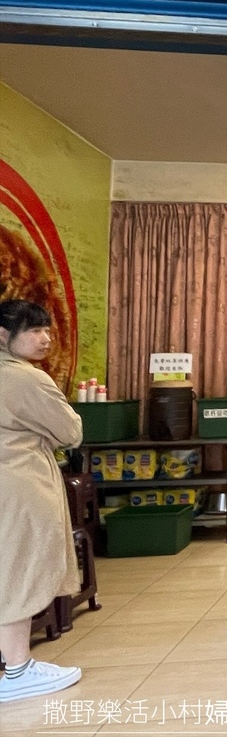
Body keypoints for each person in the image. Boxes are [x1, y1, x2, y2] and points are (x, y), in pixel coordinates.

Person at [0, 300, 83, 702]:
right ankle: (16, 670)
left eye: (47, 329)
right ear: (3, 336)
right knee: (20, 569)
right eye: (34, 331)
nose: (45, 338)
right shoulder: (25, 378)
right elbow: (69, 430)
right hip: (20, 485)